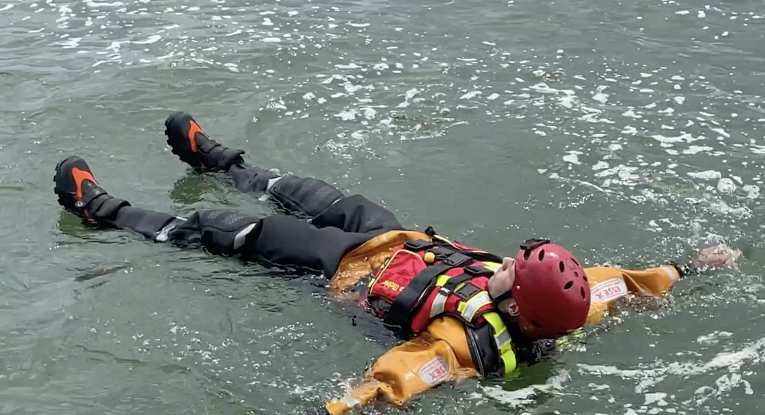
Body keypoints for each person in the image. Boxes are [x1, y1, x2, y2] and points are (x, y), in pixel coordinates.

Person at [52, 112, 742, 415]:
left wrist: (342, 404)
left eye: (513, 268)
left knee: (228, 230)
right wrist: (693, 265)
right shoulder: (572, 300)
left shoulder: (454, 344)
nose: (508, 262)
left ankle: (102, 211)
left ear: (512, 305)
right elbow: (625, 283)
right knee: (312, 193)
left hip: (347, 272)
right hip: (399, 240)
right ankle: (217, 161)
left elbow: (398, 379)